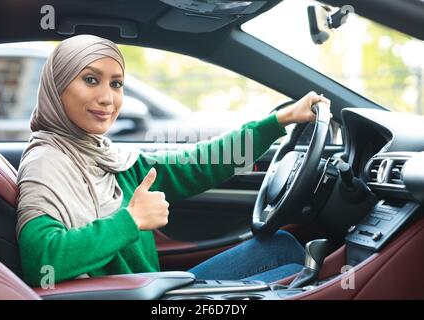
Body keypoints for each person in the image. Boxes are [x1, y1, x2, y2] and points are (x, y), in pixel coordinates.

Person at [16, 34, 331, 287]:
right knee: (300, 281)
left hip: (151, 287)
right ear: (57, 87)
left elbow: (197, 163)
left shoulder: (107, 156)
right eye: (90, 79)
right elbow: (42, 261)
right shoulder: (47, 162)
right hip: (131, 297)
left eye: (115, 84)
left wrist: (280, 120)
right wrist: (131, 220)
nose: (107, 98)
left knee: (281, 247)